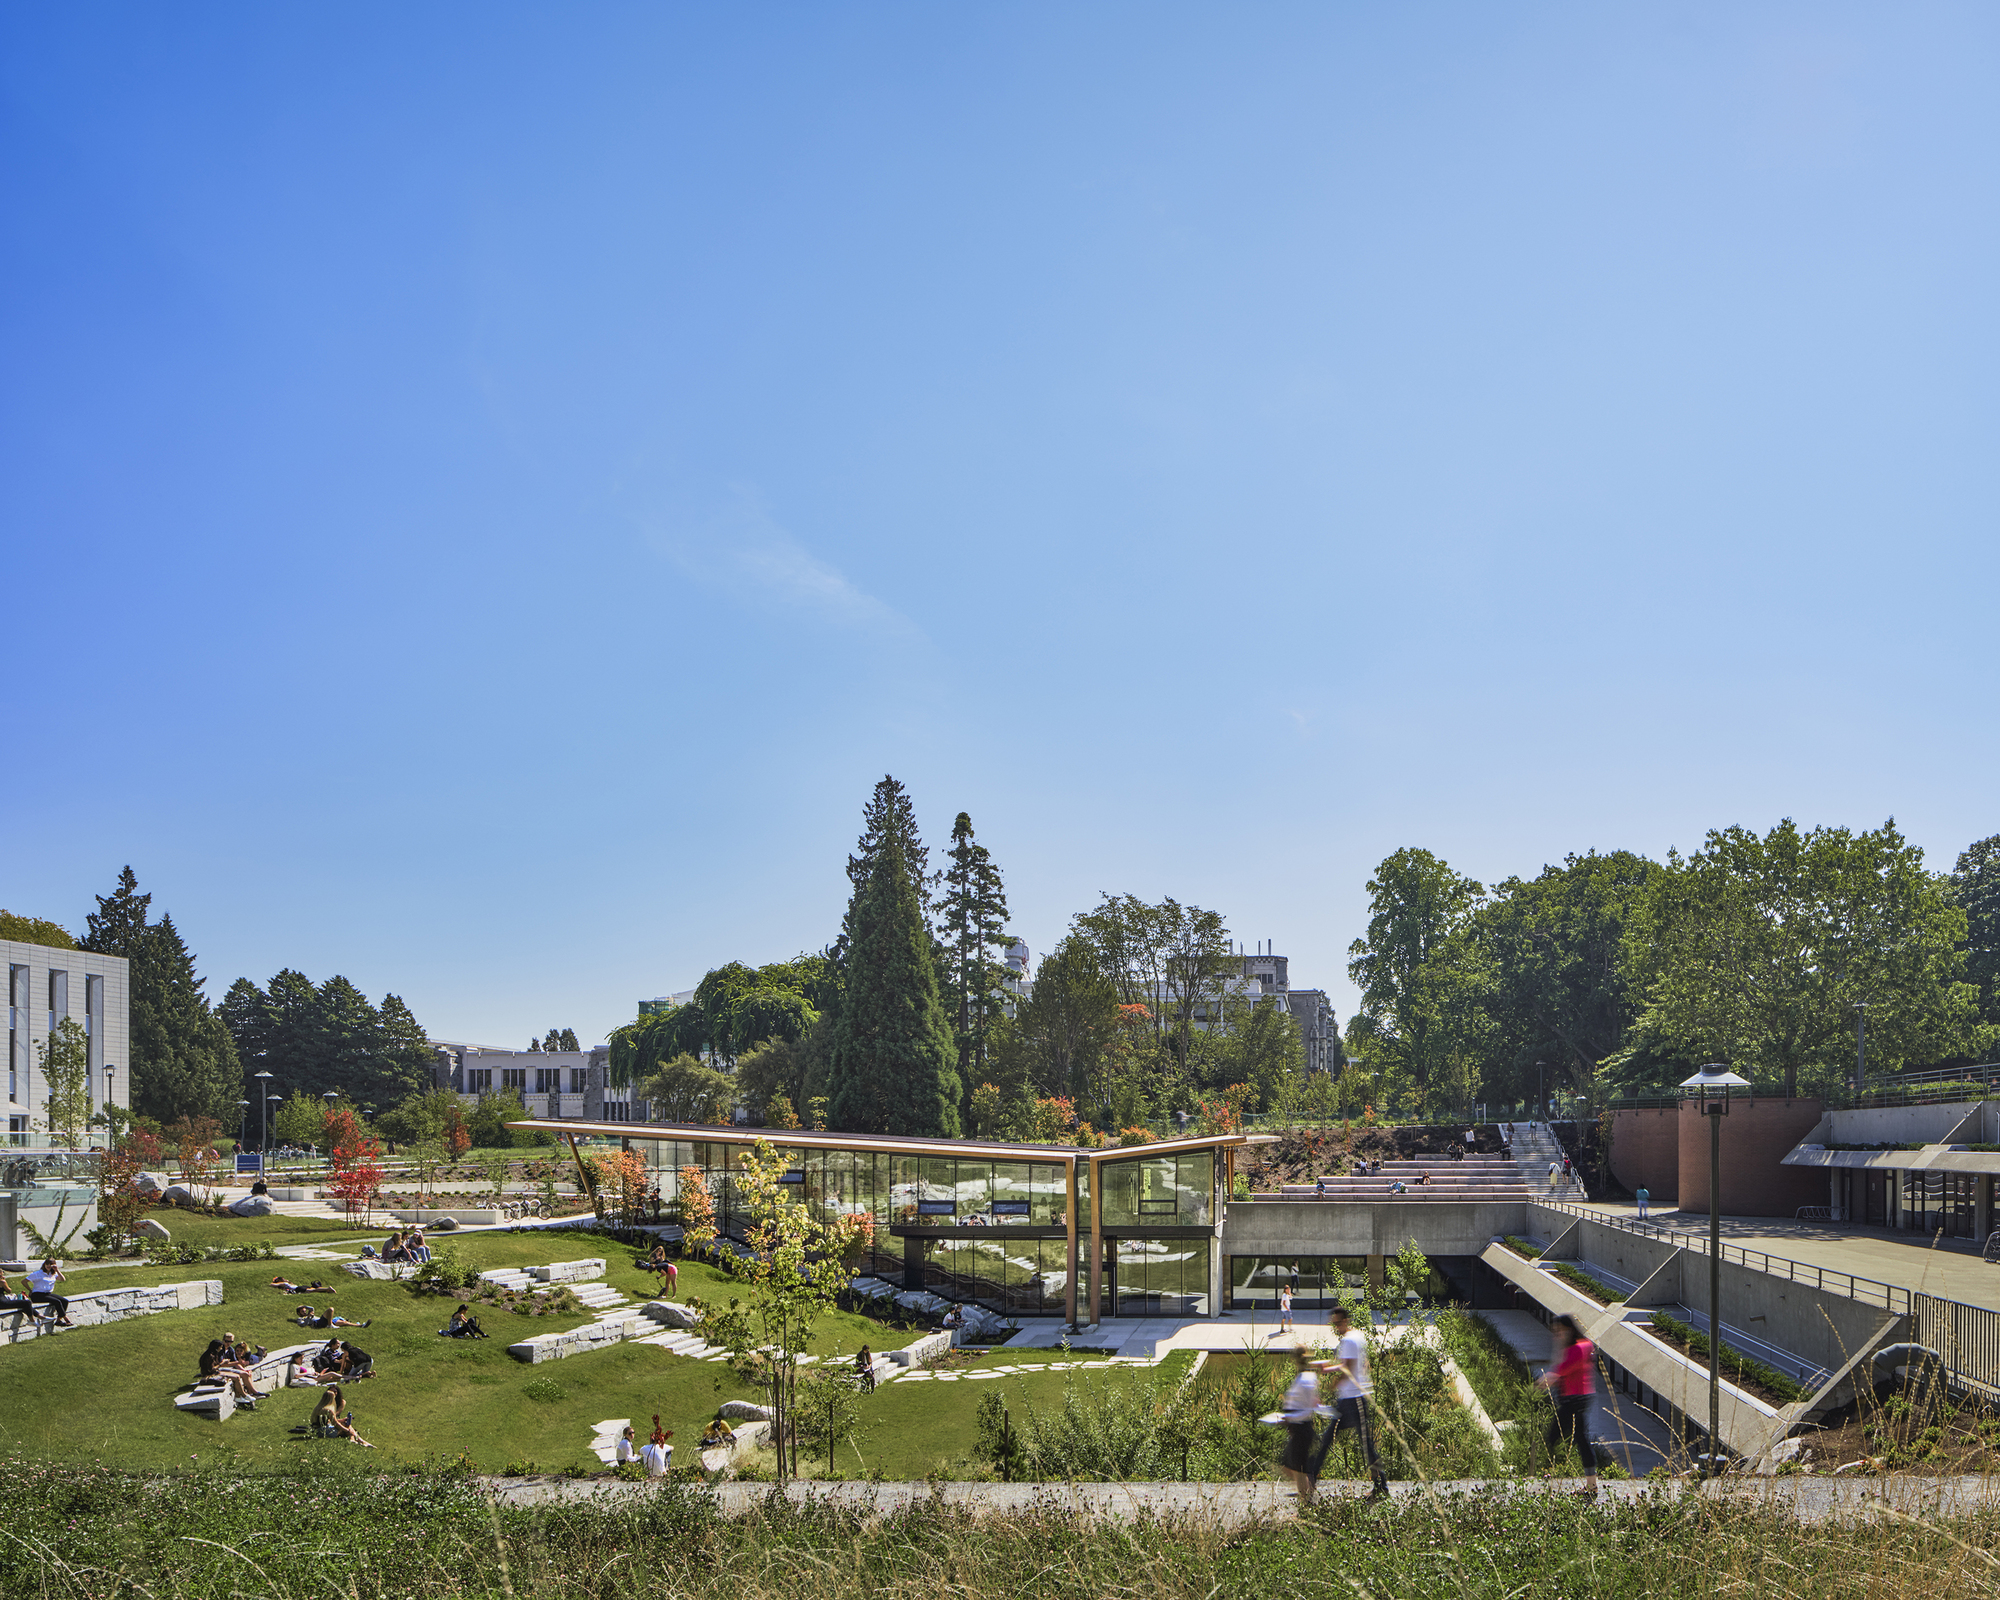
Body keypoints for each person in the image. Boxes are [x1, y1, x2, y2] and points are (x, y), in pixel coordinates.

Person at [1314, 1305, 1388, 1500]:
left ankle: (1310, 1479)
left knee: (1330, 1440)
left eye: (1338, 1323)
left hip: (1352, 1399)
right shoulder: (1357, 1336)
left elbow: (1347, 1369)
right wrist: (1329, 1369)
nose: (1336, 1327)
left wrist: (1330, 1385)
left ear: (1345, 1321)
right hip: (1357, 1397)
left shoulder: (1347, 1340)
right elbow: (1350, 1365)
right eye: (1334, 1324)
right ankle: (1381, 1486)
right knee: (1365, 1444)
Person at [1537, 1313, 1600, 1495]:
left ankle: (1548, 1479)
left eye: (1560, 1331)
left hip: (1575, 1399)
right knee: (1579, 1439)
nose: (1557, 1335)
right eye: (1555, 1332)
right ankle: (1590, 1485)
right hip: (1573, 1398)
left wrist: (1544, 1381)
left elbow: (1561, 1370)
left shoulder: (1579, 1348)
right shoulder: (1576, 1347)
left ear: (1570, 1329)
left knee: (1555, 1437)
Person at [1274, 1345, 1328, 1505]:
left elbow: (1308, 1410)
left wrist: (1289, 1418)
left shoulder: (1305, 1379)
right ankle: (1308, 1497)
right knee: (1293, 1467)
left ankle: (1307, 1502)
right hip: (1298, 1428)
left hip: (1302, 1428)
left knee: (1298, 1469)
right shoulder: (1305, 1377)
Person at [26, 1259, 72, 1326]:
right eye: (47, 1264)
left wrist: (57, 1270)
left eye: (51, 1264)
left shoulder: (53, 1274)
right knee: (57, 1302)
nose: (48, 1266)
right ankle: (65, 1318)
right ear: (44, 1265)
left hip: (47, 1293)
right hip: (37, 1295)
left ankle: (58, 1320)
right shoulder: (38, 1273)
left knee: (65, 1301)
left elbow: (63, 1279)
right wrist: (30, 1290)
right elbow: (24, 1281)